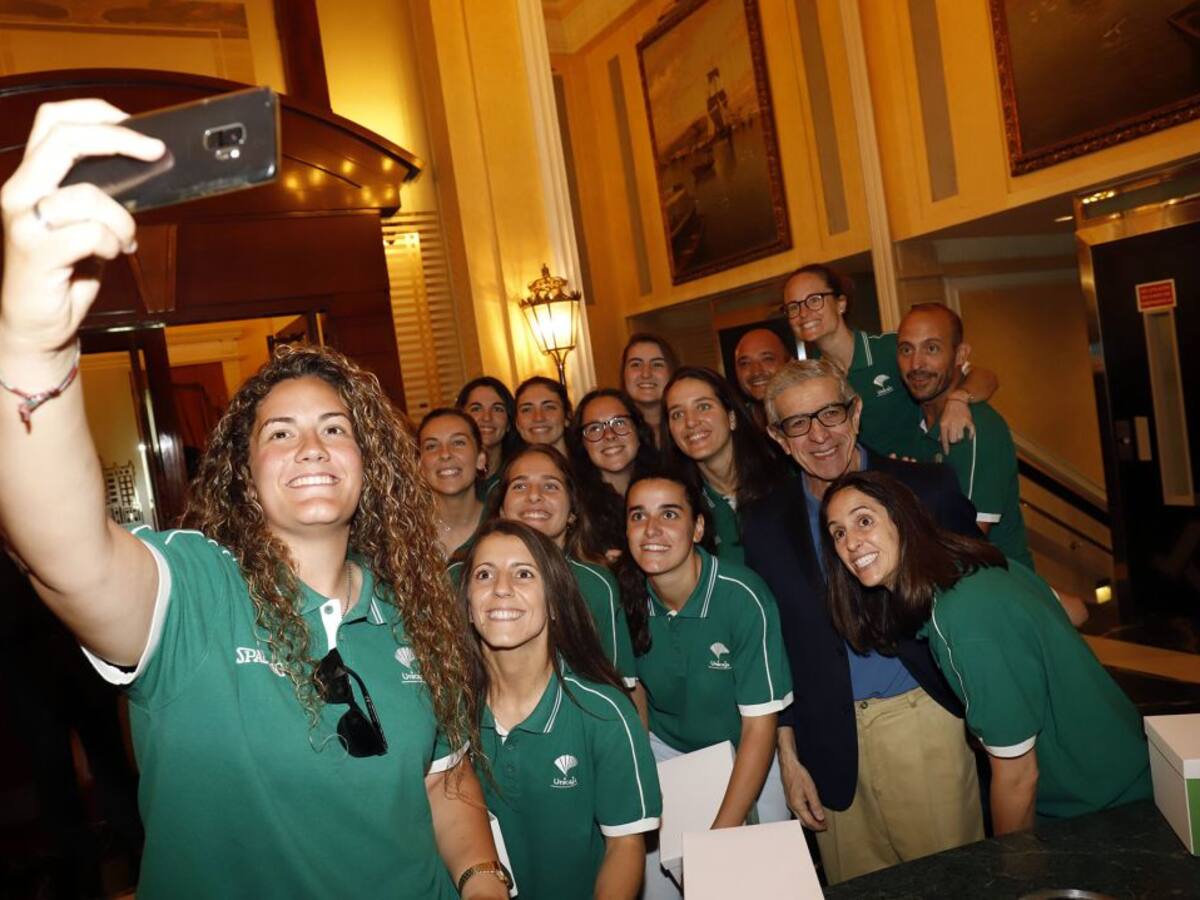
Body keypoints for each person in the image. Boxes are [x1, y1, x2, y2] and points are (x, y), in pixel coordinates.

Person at [0, 100, 508, 899]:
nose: (310, 445)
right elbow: (66, 556)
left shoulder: (414, 607)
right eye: (279, 433)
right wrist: (32, 342)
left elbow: (445, 782)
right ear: (244, 472)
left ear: (369, 465)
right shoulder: (197, 589)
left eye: (336, 428)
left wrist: (484, 879)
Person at [740, 359, 984, 885]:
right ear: (779, 439)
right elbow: (771, 646)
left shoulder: (927, 488)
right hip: (826, 747)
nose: (819, 435)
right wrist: (788, 754)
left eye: (830, 413)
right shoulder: (761, 523)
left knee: (952, 886)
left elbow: (980, 589)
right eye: (797, 424)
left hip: (925, 724)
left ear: (856, 411)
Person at [821, 470, 1151, 834]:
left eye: (864, 521)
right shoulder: (976, 560)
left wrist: (1010, 870)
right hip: (1132, 769)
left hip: (1104, 809)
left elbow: (1018, 779)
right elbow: (1078, 610)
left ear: (903, 518)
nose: (851, 543)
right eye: (838, 532)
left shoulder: (959, 618)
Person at [461, 519, 661, 900]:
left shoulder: (605, 714)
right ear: (468, 604)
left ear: (554, 601)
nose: (501, 589)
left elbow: (625, 845)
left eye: (523, 574)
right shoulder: (448, 709)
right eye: (485, 575)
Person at [621, 473, 792, 898]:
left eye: (670, 514)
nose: (652, 530)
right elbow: (634, 689)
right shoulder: (623, 597)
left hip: (745, 755)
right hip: (665, 756)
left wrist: (720, 836)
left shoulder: (742, 596)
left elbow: (759, 726)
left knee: (755, 886)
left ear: (698, 528)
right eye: (638, 515)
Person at [448, 444, 641, 706]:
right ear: (502, 509)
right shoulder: (461, 576)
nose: (534, 496)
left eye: (550, 486)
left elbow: (620, 690)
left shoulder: (596, 585)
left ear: (572, 511)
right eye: (519, 486)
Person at [782, 263, 998, 458]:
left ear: (841, 303)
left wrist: (959, 399)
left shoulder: (890, 348)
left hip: (925, 476)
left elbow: (985, 377)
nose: (803, 313)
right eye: (793, 307)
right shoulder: (812, 376)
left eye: (814, 300)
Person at [896, 303, 1032, 568]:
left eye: (932, 348)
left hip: (996, 591)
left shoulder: (978, 428)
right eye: (906, 349)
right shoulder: (914, 415)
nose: (916, 364)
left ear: (960, 355)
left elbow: (968, 541)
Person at [660, 366, 786, 564]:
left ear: (731, 417)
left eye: (703, 407)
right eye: (677, 414)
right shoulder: (680, 507)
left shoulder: (784, 475)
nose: (690, 422)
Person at [566, 388, 659, 561]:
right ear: (582, 444)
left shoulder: (669, 487)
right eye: (594, 428)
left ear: (639, 431)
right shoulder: (573, 507)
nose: (609, 435)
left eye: (619, 423)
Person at [418, 408, 488, 559]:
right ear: (420, 465)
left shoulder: (500, 524)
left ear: (480, 459)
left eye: (458, 443)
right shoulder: (404, 533)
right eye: (431, 446)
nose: (445, 454)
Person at [457, 376, 521, 491]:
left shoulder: (521, 474)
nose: (487, 418)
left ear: (509, 422)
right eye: (476, 409)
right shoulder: (449, 476)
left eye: (497, 409)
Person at [621, 334, 677, 446]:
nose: (646, 374)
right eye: (636, 364)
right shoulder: (613, 432)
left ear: (672, 372)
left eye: (657, 364)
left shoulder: (691, 425)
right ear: (623, 374)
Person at [732, 327, 793, 428]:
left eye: (767, 359)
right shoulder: (736, 427)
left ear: (789, 363)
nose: (756, 372)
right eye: (745, 363)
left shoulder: (810, 414)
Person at [514, 375, 570, 454]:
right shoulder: (511, 466)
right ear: (517, 423)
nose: (538, 418)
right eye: (527, 410)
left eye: (549, 407)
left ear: (567, 417)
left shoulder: (589, 464)